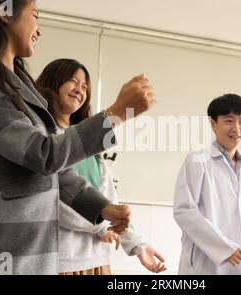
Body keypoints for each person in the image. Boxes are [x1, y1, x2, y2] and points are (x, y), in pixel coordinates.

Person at [0, 0, 155, 275]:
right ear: (5, 13)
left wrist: (102, 208)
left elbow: (55, 173)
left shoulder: (19, 90)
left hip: (30, 248)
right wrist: (115, 114)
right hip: (0, 246)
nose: (39, 29)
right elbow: (43, 154)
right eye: (35, 15)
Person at [36, 58, 166, 275]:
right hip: (62, 261)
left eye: (85, 86)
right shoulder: (44, 138)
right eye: (73, 81)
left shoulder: (90, 144)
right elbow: (55, 200)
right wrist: (102, 225)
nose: (80, 89)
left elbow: (109, 201)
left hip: (97, 259)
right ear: (53, 82)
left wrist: (138, 246)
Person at [173, 94, 241, 275]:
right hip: (205, 265)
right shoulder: (197, 161)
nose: (236, 128)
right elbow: (184, 211)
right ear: (213, 124)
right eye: (229, 121)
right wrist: (224, 247)